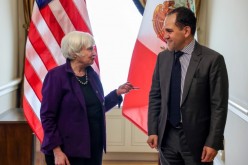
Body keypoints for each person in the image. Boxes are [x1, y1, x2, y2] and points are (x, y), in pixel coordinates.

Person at [147, 7, 228, 165]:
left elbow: (218, 106)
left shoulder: (213, 60)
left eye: (169, 31)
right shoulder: (162, 58)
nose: (165, 36)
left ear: (186, 31)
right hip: (167, 138)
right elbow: (155, 96)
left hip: (197, 142)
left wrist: (213, 141)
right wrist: (153, 129)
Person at [40, 31, 135, 165]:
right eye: (90, 49)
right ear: (75, 52)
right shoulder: (56, 77)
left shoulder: (92, 75)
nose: (94, 53)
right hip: (67, 151)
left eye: (93, 48)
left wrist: (117, 93)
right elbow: (47, 117)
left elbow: (97, 107)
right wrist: (57, 151)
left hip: (93, 148)